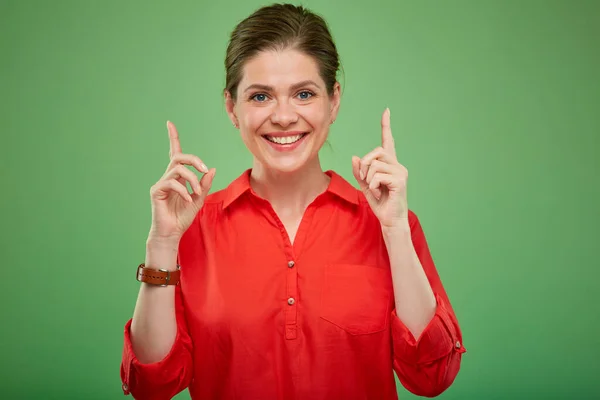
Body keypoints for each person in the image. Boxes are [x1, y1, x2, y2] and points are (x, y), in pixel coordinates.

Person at [119, 3, 466, 399]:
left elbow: (431, 377)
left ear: (333, 101)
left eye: (304, 94)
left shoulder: (391, 223)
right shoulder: (192, 227)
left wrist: (395, 230)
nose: (283, 116)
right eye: (261, 96)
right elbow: (152, 384)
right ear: (232, 107)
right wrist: (162, 244)